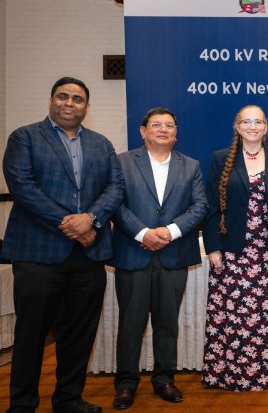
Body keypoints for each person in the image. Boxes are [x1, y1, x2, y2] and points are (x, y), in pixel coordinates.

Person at [2, 77, 124, 413]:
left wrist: (91, 219)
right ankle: (22, 404)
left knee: (79, 333)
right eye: (63, 96)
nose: (70, 103)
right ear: (51, 101)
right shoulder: (25, 137)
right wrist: (72, 224)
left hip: (88, 255)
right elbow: (22, 187)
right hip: (38, 253)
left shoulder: (101, 144)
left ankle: (68, 399)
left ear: (87, 107)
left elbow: (115, 188)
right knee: (32, 333)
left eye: (77, 99)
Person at [110, 107, 208, 409]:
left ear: (176, 133)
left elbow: (200, 206)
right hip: (133, 253)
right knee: (131, 323)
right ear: (143, 131)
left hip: (173, 254)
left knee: (167, 323)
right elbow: (115, 204)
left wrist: (169, 231)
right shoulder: (122, 162)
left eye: (169, 125)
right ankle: (126, 383)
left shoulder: (190, 165)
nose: (163, 129)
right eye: (156, 125)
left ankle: (164, 379)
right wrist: (143, 233)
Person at [201, 105, 268, 391]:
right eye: (246, 121)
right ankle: (230, 375)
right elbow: (211, 206)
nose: (252, 126)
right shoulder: (221, 158)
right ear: (237, 126)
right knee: (233, 320)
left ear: (266, 126)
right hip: (233, 254)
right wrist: (213, 248)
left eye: (258, 121)